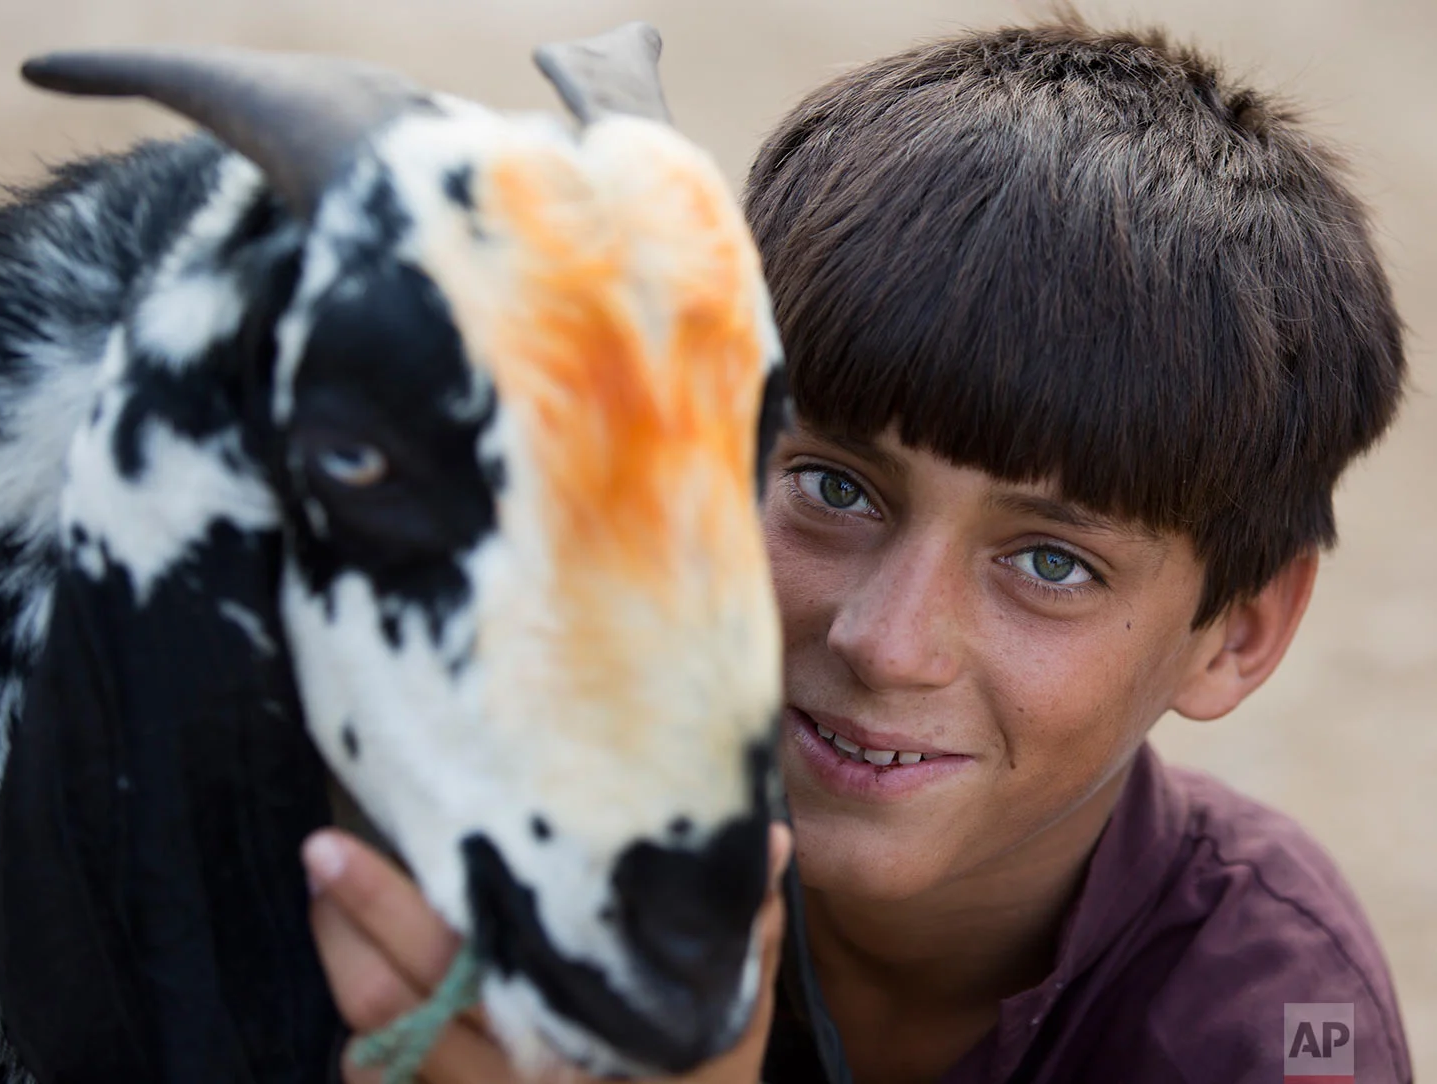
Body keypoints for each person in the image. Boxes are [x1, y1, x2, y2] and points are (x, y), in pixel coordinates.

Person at [300, 17, 1413, 1083]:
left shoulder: (1280, 1019)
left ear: (1238, 635)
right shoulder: (486, 804)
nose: (885, 641)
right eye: (833, 488)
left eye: (1051, 564)